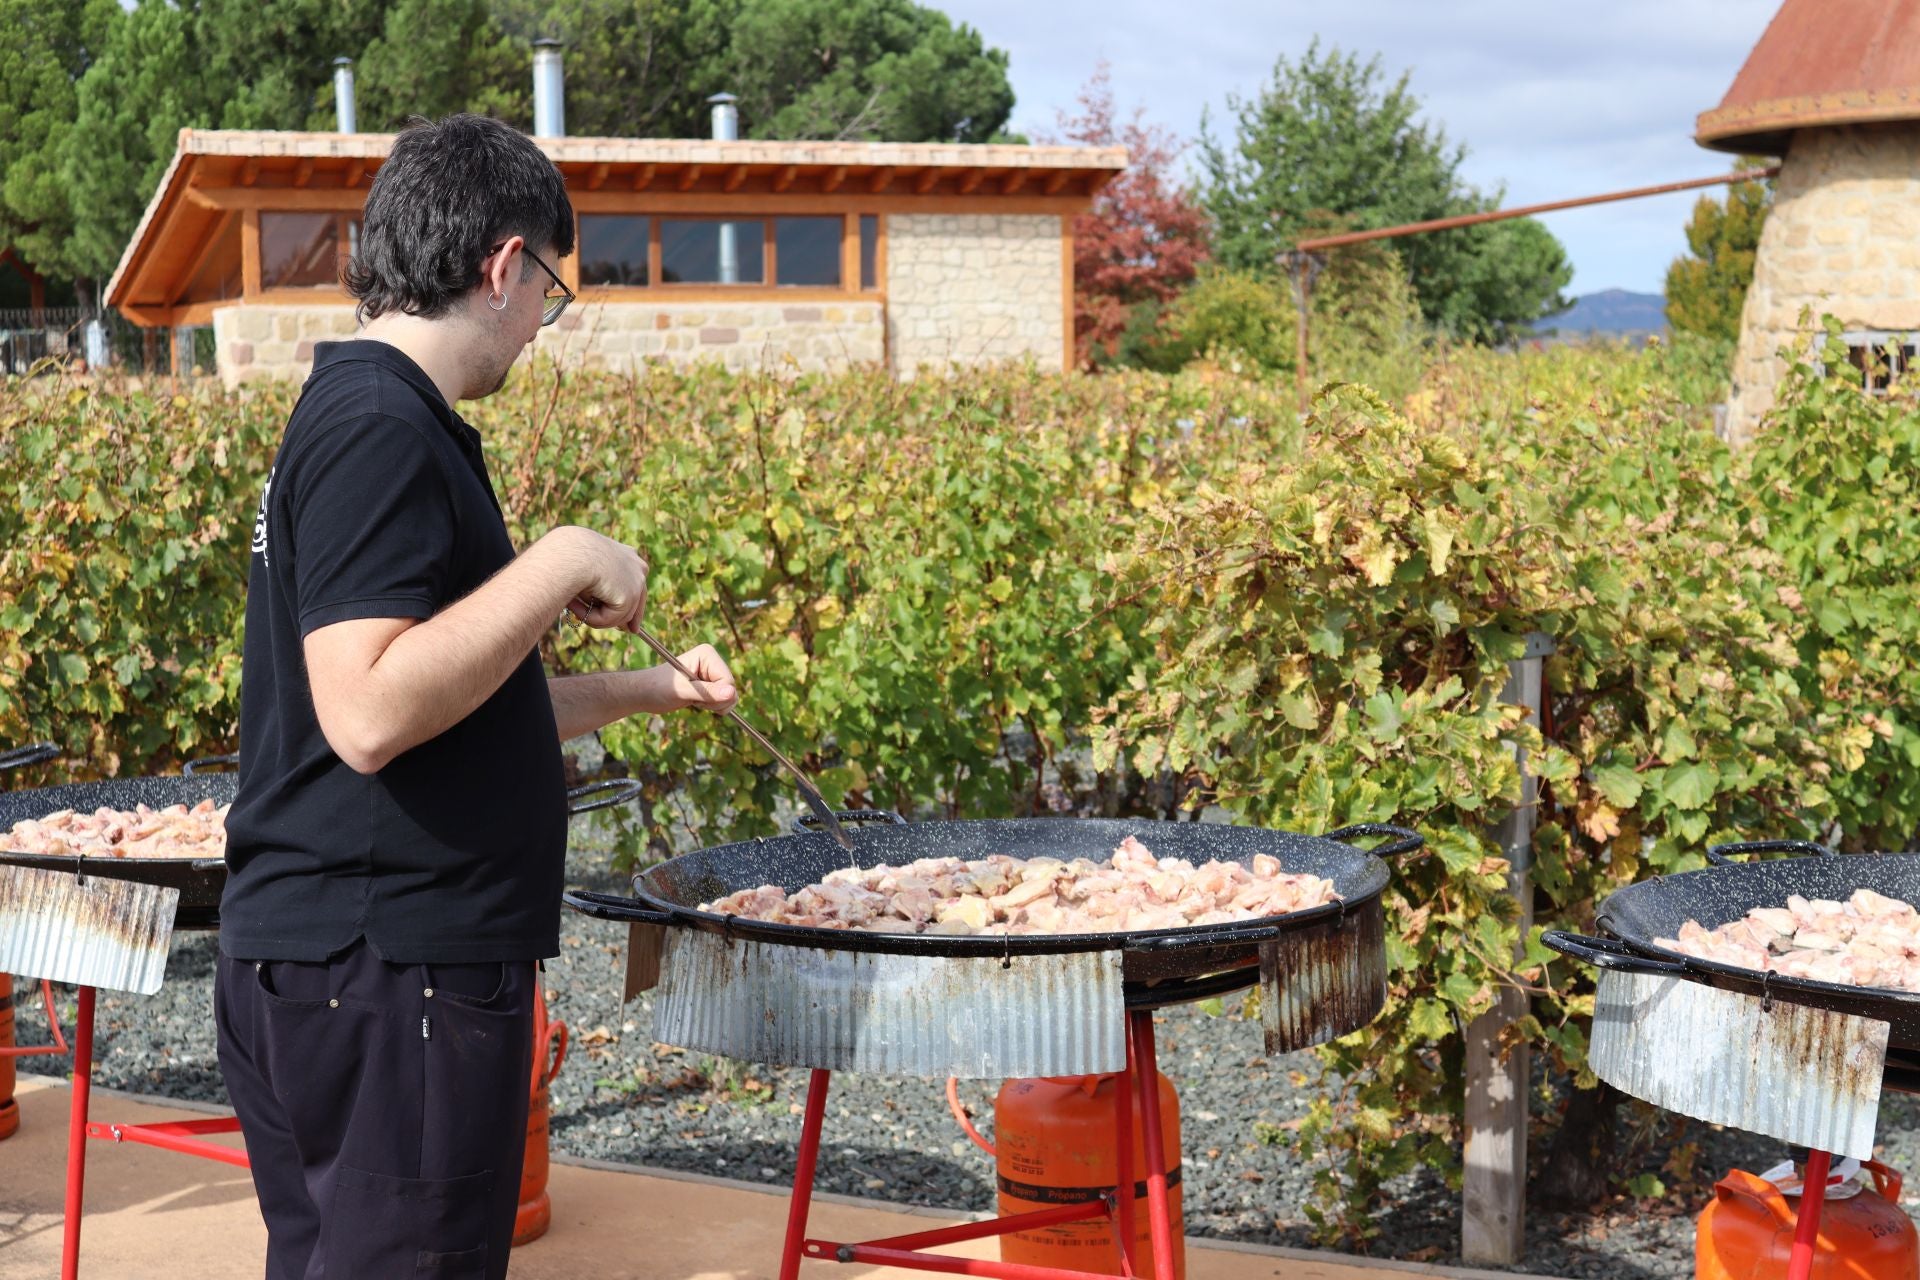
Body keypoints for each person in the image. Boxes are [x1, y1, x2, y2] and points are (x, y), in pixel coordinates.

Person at [215, 113, 737, 1280]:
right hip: (390, 974)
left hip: (351, 969)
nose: (540, 328)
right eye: (551, 293)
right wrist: (556, 560)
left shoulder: (365, 420)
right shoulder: (378, 428)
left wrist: (650, 686)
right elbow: (368, 714)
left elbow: (447, 705)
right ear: (505, 265)